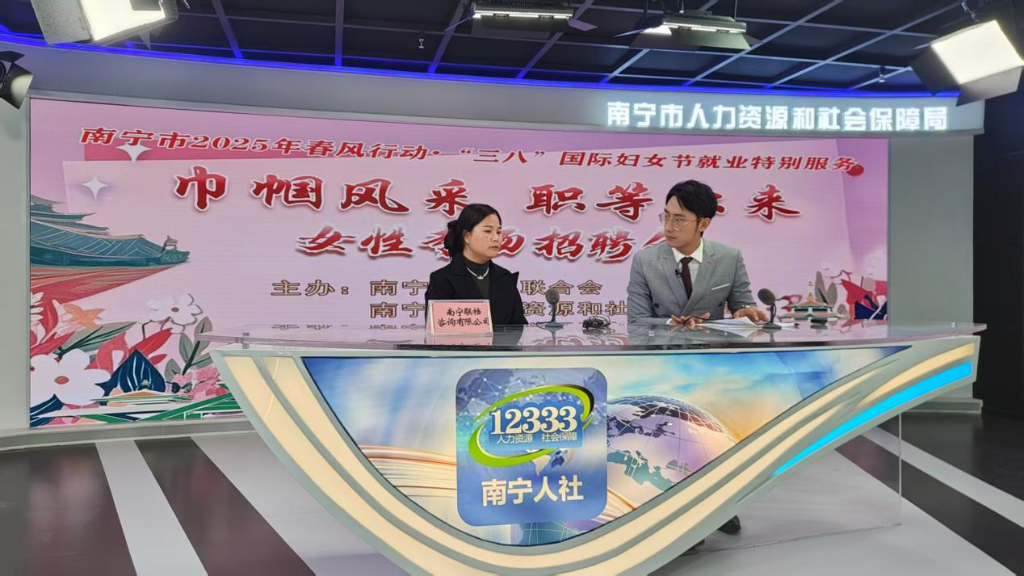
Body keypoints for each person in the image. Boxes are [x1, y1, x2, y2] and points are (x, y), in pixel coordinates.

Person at [628, 180, 768, 328]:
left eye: (679, 220)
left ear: (703, 224)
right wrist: (672, 323)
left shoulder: (730, 258)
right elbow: (637, 319)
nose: (668, 227)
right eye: (666, 216)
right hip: (663, 341)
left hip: (710, 341)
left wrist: (745, 309)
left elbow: (743, 303)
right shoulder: (645, 261)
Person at [425, 203, 528, 326]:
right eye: (488, 231)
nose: (496, 238)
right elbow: (439, 328)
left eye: (498, 232)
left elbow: (519, 327)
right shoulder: (441, 279)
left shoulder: (506, 278)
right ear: (467, 236)